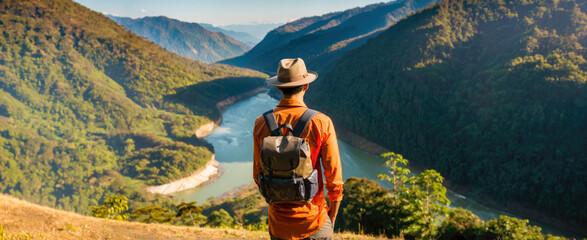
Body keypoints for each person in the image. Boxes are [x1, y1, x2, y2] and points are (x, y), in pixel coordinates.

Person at [253, 58, 343, 240]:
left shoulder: (261, 123)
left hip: (278, 225)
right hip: (314, 221)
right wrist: (331, 216)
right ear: (306, 86)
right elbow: (334, 177)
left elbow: (258, 174)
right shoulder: (321, 122)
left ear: (278, 88)